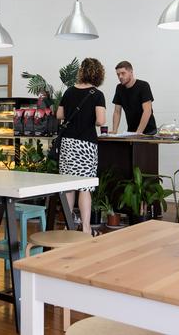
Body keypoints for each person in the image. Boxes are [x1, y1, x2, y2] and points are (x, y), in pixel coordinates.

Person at [57, 58, 107, 234]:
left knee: (68, 185)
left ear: (81, 72)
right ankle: (86, 229)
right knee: (84, 187)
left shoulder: (69, 91)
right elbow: (101, 121)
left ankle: (68, 226)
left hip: (68, 144)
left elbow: (59, 114)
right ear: (98, 73)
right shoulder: (97, 94)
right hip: (85, 144)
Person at [111, 61, 157, 135]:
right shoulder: (119, 88)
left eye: (123, 73)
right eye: (118, 74)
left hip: (148, 131)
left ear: (131, 72)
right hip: (131, 131)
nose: (120, 77)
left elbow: (147, 111)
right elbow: (117, 111)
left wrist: (138, 132)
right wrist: (114, 130)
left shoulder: (143, 86)